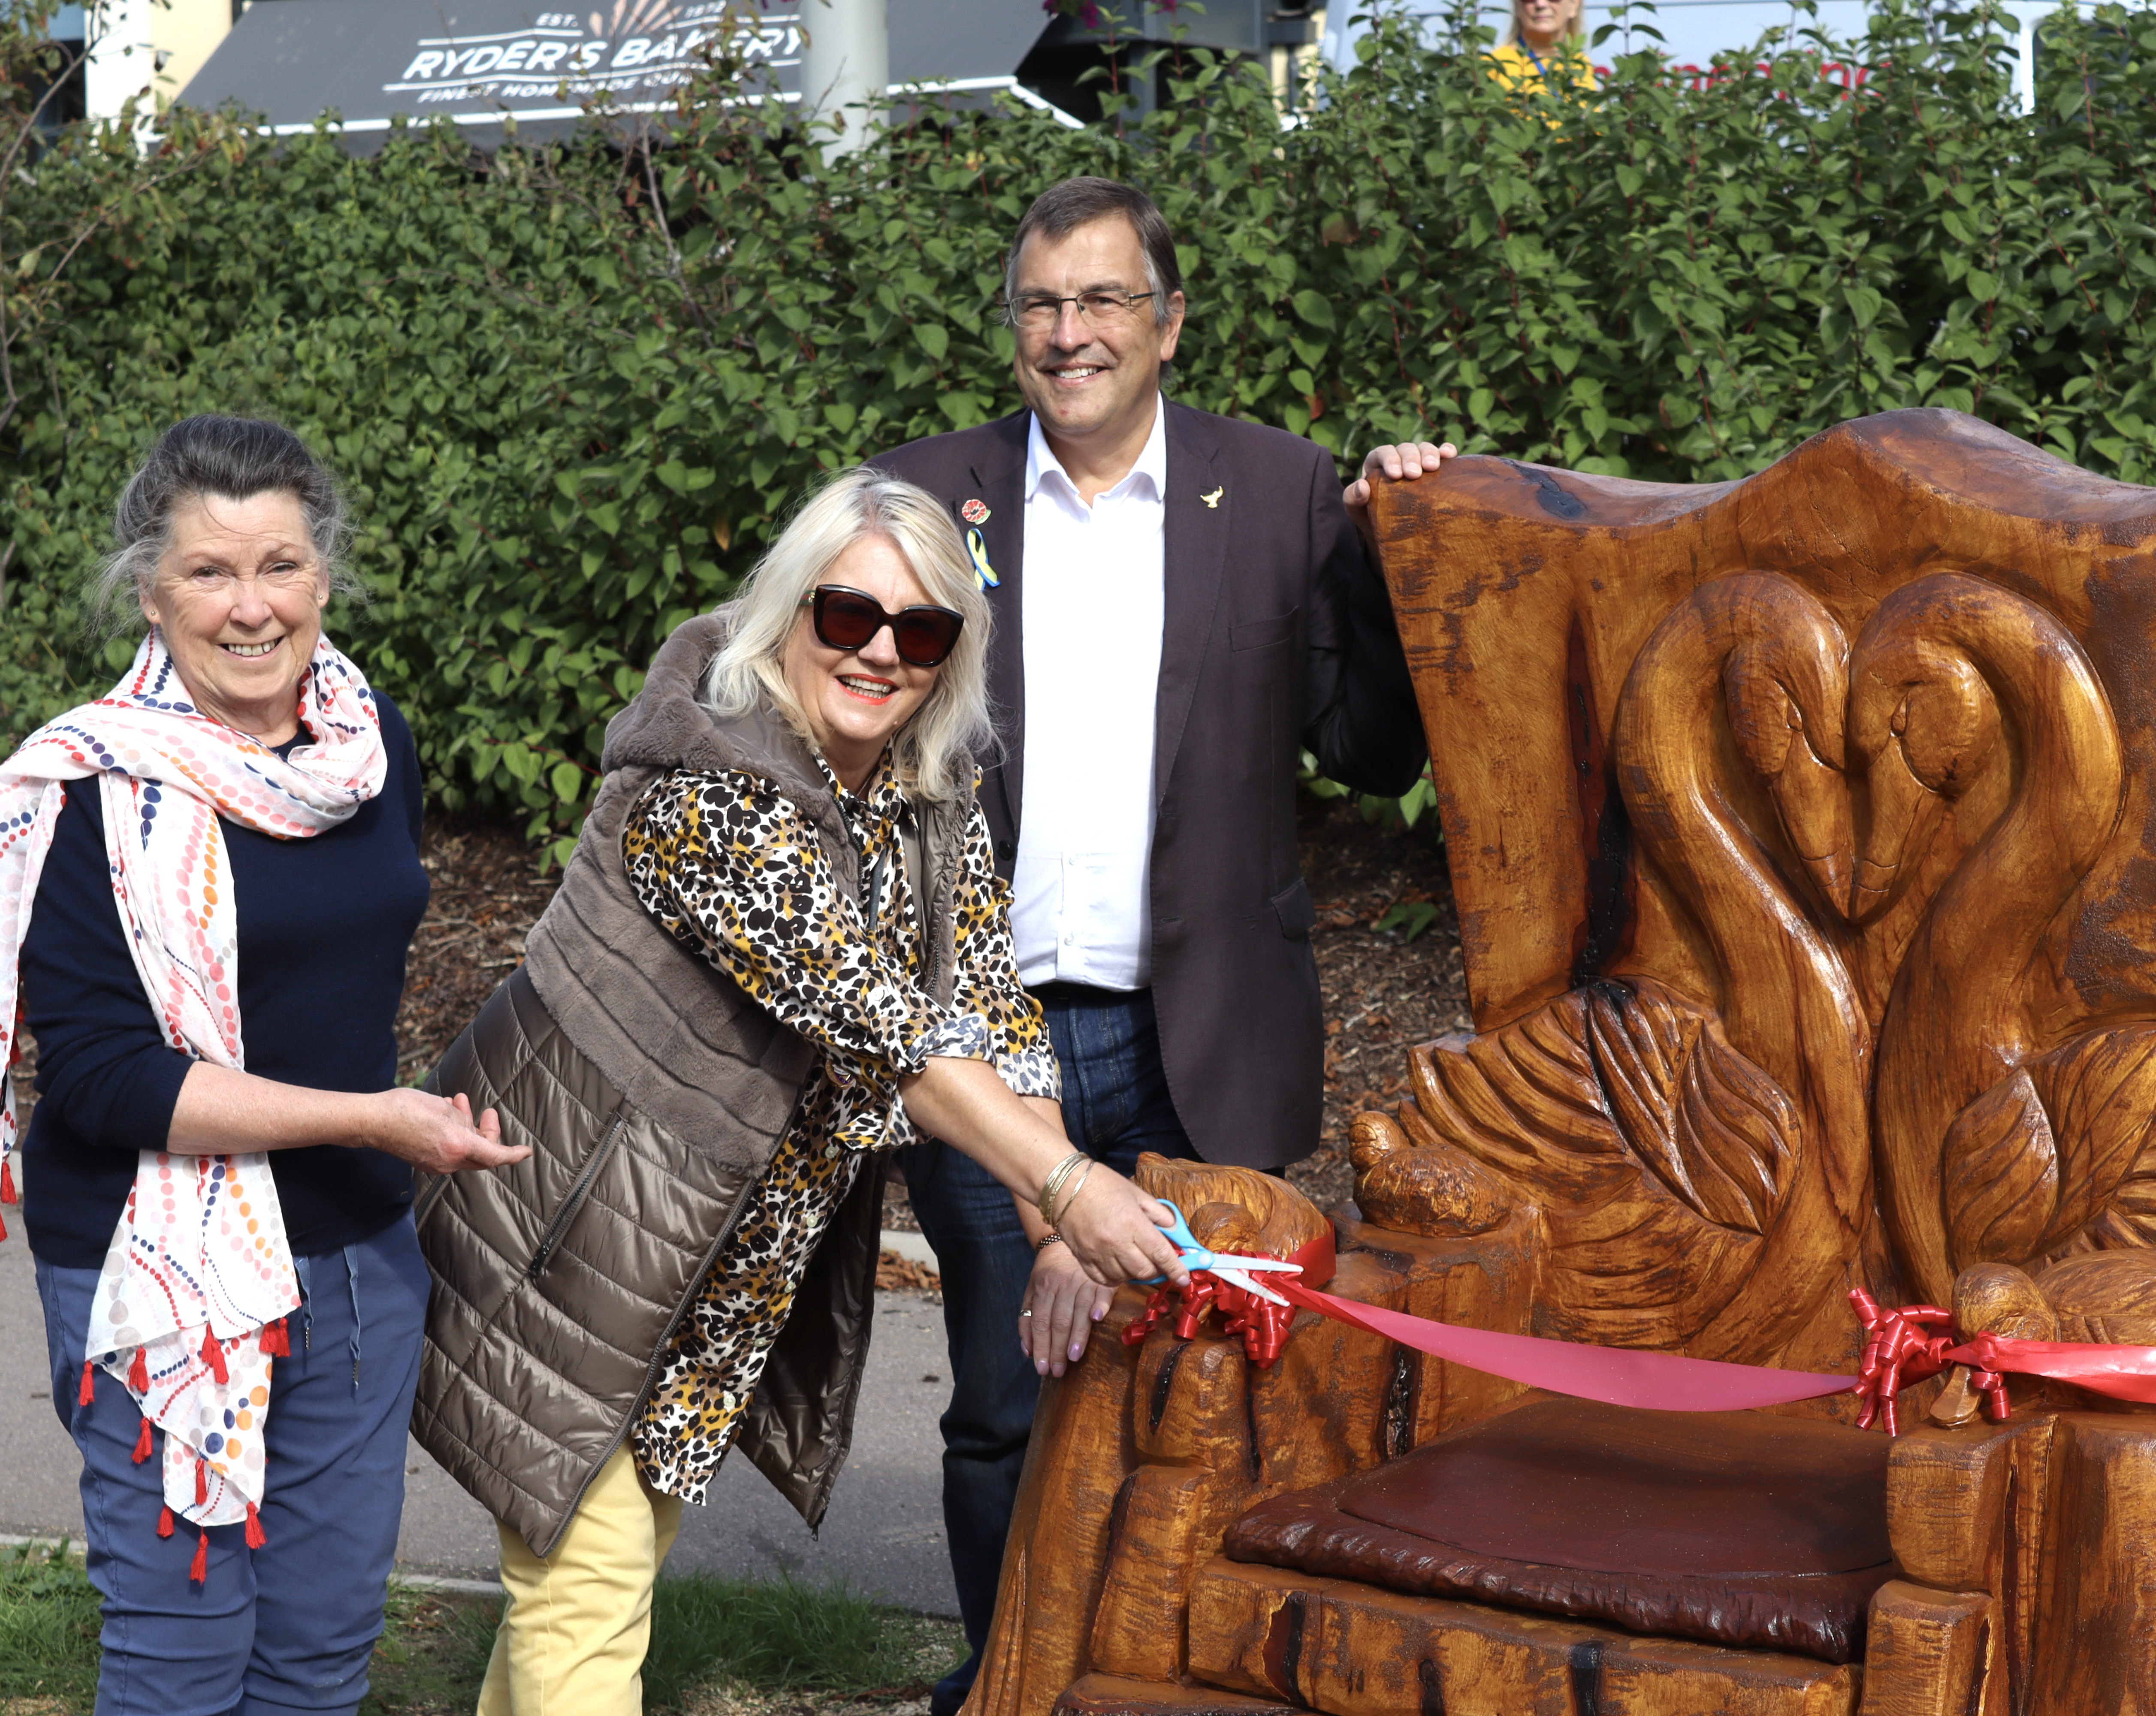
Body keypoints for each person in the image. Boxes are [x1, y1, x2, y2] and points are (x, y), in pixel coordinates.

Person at [411, 466, 1189, 1716]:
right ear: (786, 608)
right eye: (848, 615)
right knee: (590, 1591)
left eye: (920, 630)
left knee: (589, 1590)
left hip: (707, 1275)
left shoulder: (926, 797)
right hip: (578, 1244)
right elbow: (880, 1024)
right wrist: (1069, 1182)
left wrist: (1054, 1238)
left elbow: (989, 1015)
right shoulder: (707, 785)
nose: (880, 652)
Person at [868, 174, 1454, 1716]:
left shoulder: (1274, 491)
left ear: (1168, 320)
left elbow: (1365, 744)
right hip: (995, 1036)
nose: (1072, 333)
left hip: (1205, 1029)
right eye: (1044, 305)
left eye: (1104, 300)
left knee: (1214, 1383)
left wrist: (1402, 553)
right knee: (1009, 1395)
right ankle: (1009, 1679)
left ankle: (1170, 1677)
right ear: (1014, 330)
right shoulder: (926, 501)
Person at [0, 414, 526, 1715]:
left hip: (357, 1263)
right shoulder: (84, 786)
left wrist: (380, 1137)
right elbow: (103, 1079)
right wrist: (370, 1119)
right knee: (181, 1657)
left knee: (321, 1655)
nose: (250, 606)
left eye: (280, 564)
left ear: (325, 576)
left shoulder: (368, 753)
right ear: (150, 590)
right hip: (154, 1270)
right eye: (210, 571)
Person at [1486, 0, 1600, 90]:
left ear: (1574, 5)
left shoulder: (1580, 64)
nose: (1541, 4)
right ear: (1517, 6)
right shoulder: (1492, 65)